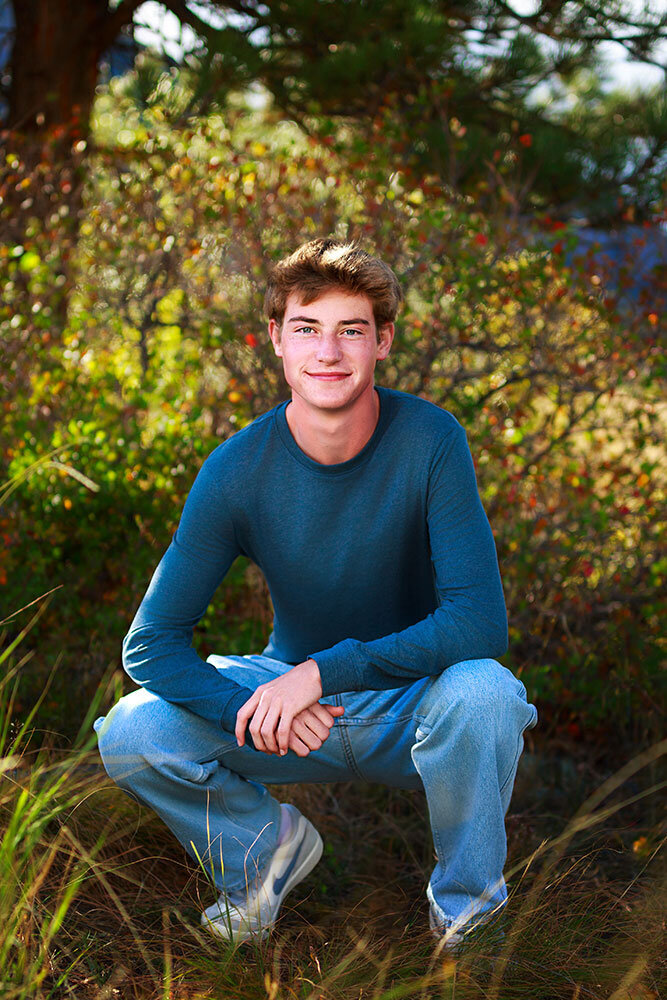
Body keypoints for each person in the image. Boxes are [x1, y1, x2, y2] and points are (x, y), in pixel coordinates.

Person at [94, 238, 537, 951]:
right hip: (286, 710)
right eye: (306, 328)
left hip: (416, 700)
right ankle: (263, 855)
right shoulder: (236, 468)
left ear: (382, 342)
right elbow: (149, 643)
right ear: (275, 339)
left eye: (350, 330)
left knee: (485, 693)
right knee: (132, 729)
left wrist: (322, 673)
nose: (327, 351)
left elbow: (478, 622)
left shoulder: (430, 441)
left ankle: (469, 913)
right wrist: (249, 705)